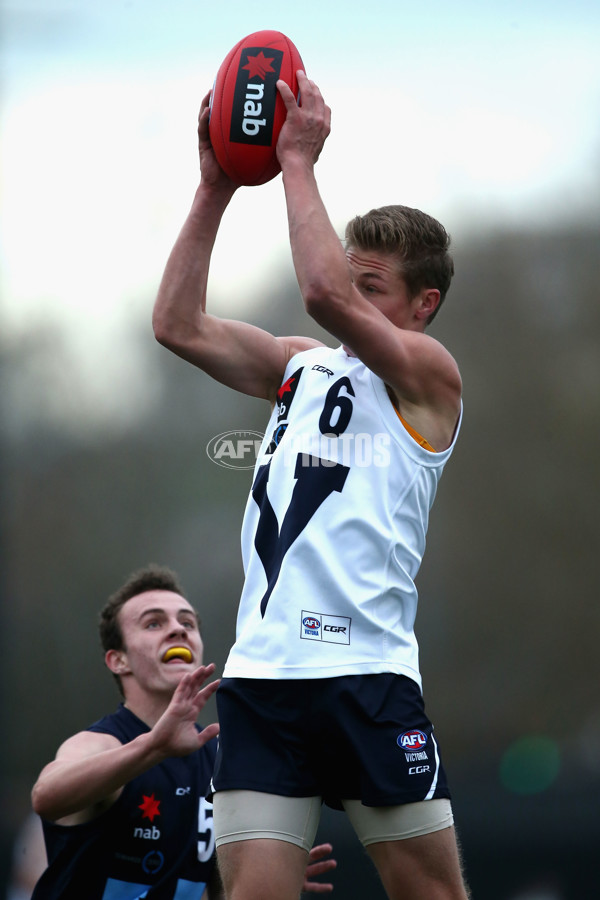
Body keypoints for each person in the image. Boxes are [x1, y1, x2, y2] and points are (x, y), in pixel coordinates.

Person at [152, 68, 469, 900]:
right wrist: (214, 186)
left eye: (377, 289)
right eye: (354, 278)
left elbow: (324, 290)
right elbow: (176, 325)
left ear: (422, 305)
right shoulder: (302, 368)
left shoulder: (429, 380)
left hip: (366, 675)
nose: (350, 301)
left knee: (429, 894)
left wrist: (298, 161)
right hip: (262, 679)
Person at [29, 565, 337, 899]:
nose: (177, 630)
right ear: (118, 660)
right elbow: (46, 797)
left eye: (187, 622)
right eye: (153, 623)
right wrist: (153, 748)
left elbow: (213, 890)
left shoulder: (221, 759)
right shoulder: (101, 743)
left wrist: (258, 873)